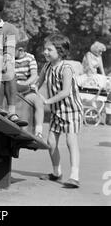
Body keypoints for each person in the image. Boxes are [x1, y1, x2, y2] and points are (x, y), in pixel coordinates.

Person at [37, 33, 83, 188]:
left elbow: (65, 92)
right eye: (45, 49)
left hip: (71, 110)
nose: (45, 52)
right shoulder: (46, 66)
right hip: (57, 111)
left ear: (61, 51)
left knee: (71, 141)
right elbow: (38, 83)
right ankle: (56, 173)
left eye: (49, 50)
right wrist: (29, 89)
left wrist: (47, 101)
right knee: (51, 142)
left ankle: (74, 176)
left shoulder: (66, 68)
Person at [14, 30, 44, 136]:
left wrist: (25, 84)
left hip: (27, 91)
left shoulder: (30, 58)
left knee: (38, 102)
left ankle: (38, 130)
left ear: (20, 50)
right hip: (13, 91)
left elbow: (34, 75)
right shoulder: (9, 59)